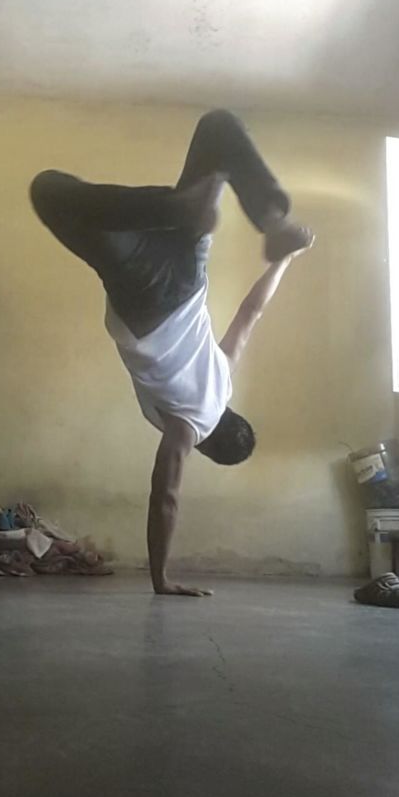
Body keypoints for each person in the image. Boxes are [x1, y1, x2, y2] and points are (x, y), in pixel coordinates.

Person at [30, 110, 315, 596]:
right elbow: (165, 497)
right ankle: (180, 209)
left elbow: (251, 313)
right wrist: (161, 578)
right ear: (208, 446)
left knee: (218, 127)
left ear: (233, 413)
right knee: (47, 191)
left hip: (188, 266)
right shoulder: (187, 427)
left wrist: (286, 257)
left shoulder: (223, 376)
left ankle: (262, 216)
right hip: (147, 291)